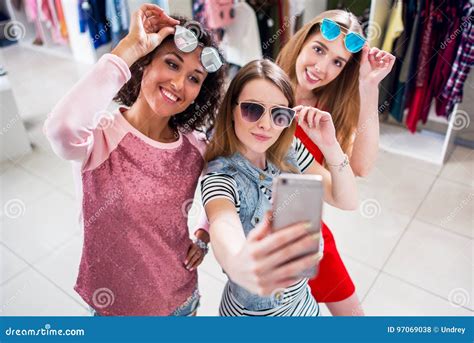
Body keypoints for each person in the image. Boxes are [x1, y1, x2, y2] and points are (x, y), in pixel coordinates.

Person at [44, 4, 226, 316]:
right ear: (144, 64)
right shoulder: (100, 137)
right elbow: (60, 129)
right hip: (113, 307)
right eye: (171, 64)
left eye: (194, 78)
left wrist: (204, 232)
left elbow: (226, 185)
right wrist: (131, 46)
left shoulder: (196, 148)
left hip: (181, 302)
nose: (179, 84)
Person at [201, 59, 358, 316]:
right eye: (252, 109)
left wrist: (330, 146)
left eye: (279, 115)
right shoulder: (220, 175)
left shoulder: (289, 149)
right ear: (231, 109)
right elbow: (222, 221)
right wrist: (238, 260)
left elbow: (347, 200)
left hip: (304, 306)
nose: (266, 124)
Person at [277, 9, 395, 315]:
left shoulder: (327, 113)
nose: (321, 68)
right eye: (318, 49)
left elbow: (361, 168)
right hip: (258, 233)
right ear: (302, 42)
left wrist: (369, 89)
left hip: (305, 231)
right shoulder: (263, 90)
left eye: (337, 62)